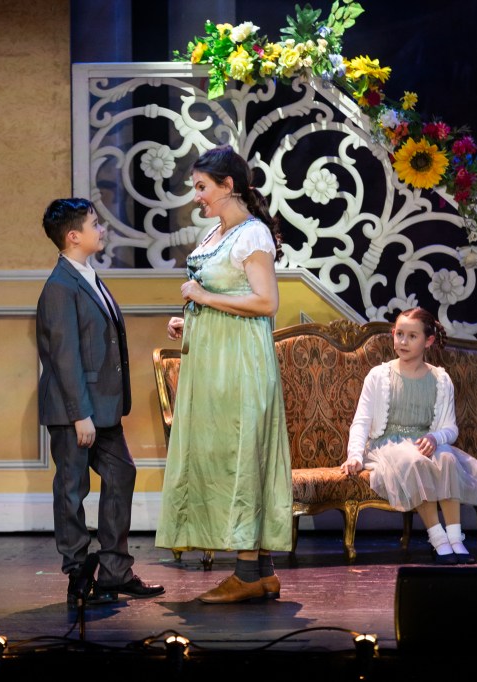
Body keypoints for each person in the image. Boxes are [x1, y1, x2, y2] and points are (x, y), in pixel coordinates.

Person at [155, 145, 293, 604]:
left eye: (202, 187)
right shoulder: (217, 233)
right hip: (213, 359)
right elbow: (222, 294)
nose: (196, 196)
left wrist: (204, 299)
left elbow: (266, 303)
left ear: (228, 186)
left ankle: (247, 571)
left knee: (241, 455)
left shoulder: (252, 235)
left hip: (240, 364)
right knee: (224, 455)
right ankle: (262, 572)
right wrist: (191, 319)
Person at [36, 198, 164, 606]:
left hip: (102, 408)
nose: (102, 228)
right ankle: (77, 574)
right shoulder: (60, 287)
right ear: (74, 236)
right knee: (71, 489)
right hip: (75, 411)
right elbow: (65, 356)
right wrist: (80, 416)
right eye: (95, 223)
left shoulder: (88, 276)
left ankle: (113, 571)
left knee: (121, 472)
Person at [340, 307, 477, 564]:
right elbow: (361, 421)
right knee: (414, 461)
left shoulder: (440, 379)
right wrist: (355, 455)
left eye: (412, 336)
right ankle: (438, 539)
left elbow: (450, 428)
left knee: (447, 458)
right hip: (388, 445)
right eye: (399, 334)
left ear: (428, 341)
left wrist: (436, 439)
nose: (403, 341)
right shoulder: (379, 376)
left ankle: (455, 538)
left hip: (425, 441)